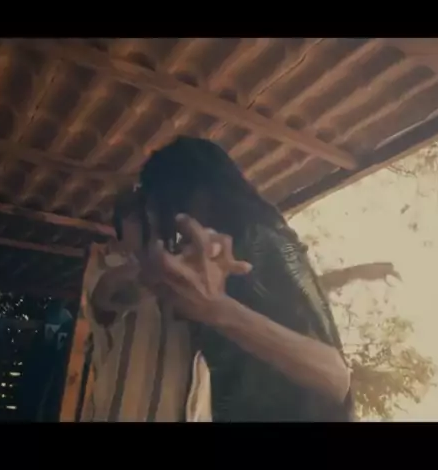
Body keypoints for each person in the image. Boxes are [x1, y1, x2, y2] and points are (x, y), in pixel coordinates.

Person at [136, 136, 355, 421]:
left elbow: (335, 376)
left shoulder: (258, 240)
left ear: (198, 192)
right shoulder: (209, 260)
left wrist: (217, 309)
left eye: (167, 203)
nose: (170, 218)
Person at [78, 188, 212, 422]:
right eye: (135, 216)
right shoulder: (106, 266)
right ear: (121, 226)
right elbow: (108, 295)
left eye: (152, 214)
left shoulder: (194, 275)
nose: (148, 224)